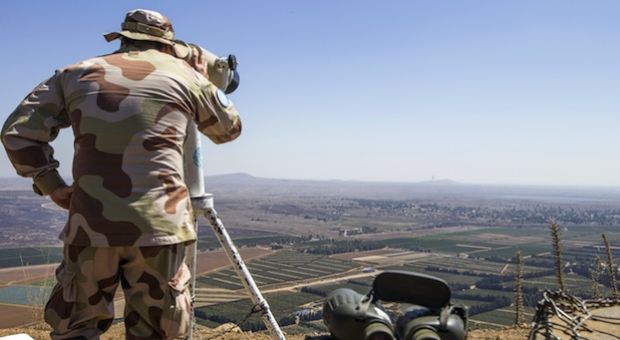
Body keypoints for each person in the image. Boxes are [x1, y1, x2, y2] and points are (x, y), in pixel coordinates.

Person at [1, 9, 242, 339]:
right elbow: (229, 129)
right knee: (158, 333)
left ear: (124, 37)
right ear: (167, 43)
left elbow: (17, 132)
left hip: (91, 226)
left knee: (76, 329)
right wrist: (197, 73)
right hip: (162, 230)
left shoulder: (75, 74)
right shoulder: (185, 76)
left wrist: (51, 184)